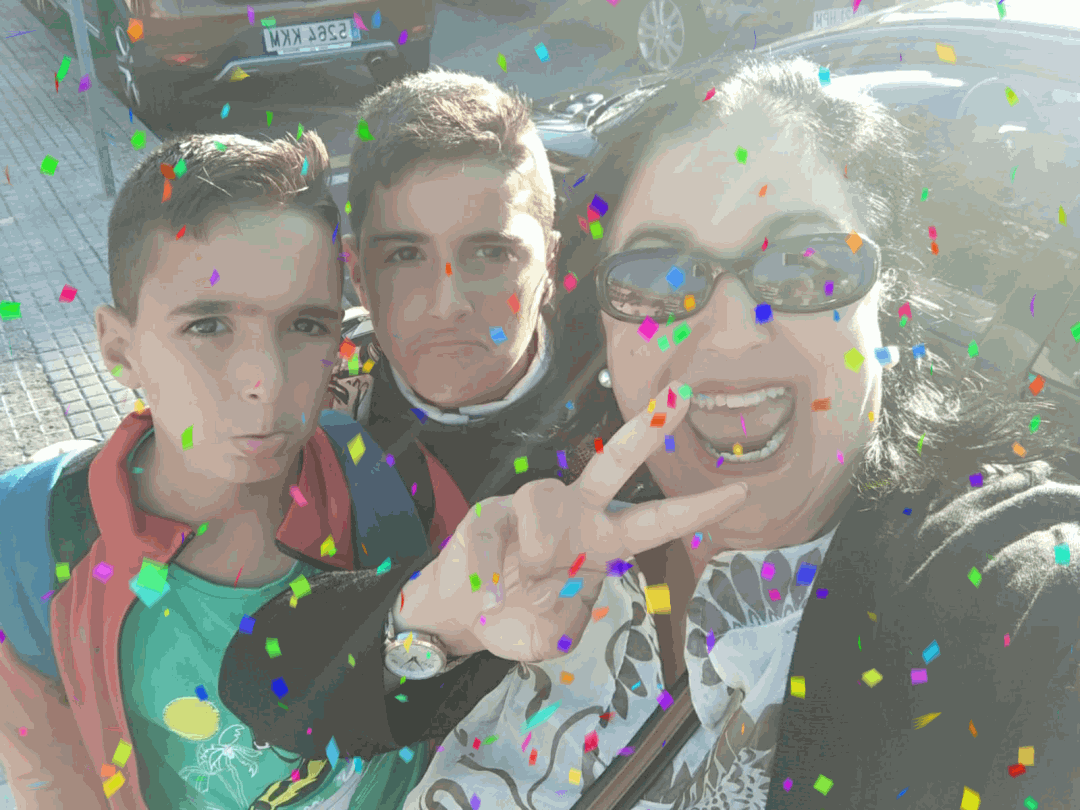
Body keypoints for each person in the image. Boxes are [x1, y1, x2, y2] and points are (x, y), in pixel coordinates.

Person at [220, 55, 1080, 810]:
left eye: (807, 264)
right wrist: (440, 615)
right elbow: (264, 680)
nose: (734, 333)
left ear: (889, 296)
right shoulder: (583, 494)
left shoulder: (982, 595)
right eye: (661, 275)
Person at [0, 131, 435, 810]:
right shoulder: (27, 541)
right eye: (207, 326)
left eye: (306, 325)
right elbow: (49, 777)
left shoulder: (376, 472)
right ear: (119, 349)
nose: (265, 381)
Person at [318, 69, 617, 549]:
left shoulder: (624, 408)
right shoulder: (305, 403)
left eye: (492, 253)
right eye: (405, 255)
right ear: (357, 275)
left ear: (550, 264)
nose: (447, 305)